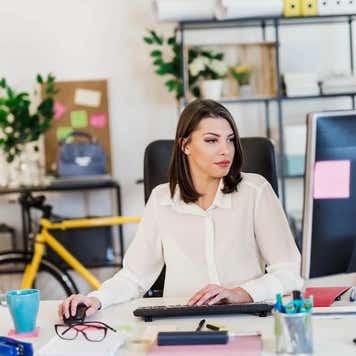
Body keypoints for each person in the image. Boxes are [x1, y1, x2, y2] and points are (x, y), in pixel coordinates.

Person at [58, 99, 303, 319]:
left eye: (230, 140)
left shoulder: (255, 191)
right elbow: (134, 277)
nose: (225, 150)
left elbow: (290, 273)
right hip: (181, 323)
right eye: (211, 140)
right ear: (185, 145)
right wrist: (96, 299)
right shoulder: (161, 200)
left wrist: (241, 293)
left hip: (246, 319)